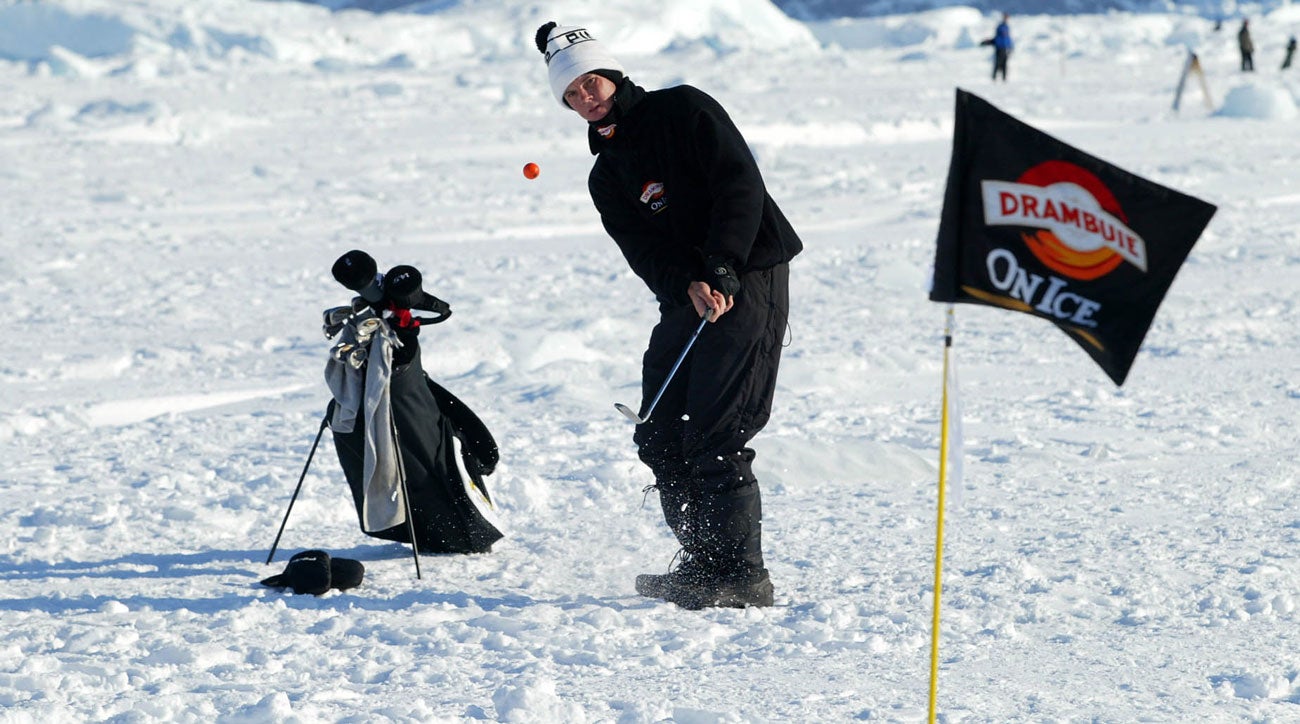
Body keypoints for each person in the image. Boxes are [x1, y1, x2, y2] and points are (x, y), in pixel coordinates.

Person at [534, 22, 802, 609]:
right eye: (571, 93)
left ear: (612, 72)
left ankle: (740, 576)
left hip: (747, 275)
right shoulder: (606, 174)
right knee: (657, 432)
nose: (585, 96)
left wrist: (723, 266)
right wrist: (687, 283)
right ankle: (704, 565)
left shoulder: (684, 109)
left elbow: (740, 186)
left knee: (716, 431)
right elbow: (644, 251)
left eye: (590, 80)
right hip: (688, 295)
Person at [991, 13, 1013, 81]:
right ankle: (994, 78)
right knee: (998, 63)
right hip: (999, 48)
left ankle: (1004, 79)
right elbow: (998, 37)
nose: (1006, 19)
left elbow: (1008, 38)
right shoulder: (1000, 27)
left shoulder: (1007, 27)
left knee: (1004, 64)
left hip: (1005, 48)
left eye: (1007, 18)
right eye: (1005, 17)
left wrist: (1010, 46)